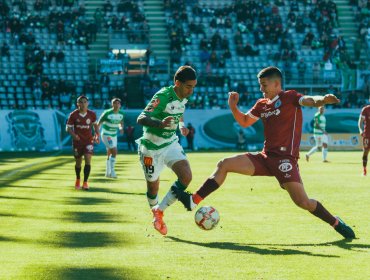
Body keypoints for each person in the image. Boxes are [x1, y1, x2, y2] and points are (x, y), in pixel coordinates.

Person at [172, 66, 355, 239]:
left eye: (264, 85)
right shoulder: (262, 104)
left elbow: (309, 100)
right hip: (265, 157)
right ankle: (193, 200)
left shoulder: (290, 97)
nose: (261, 89)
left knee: (303, 202)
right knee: (224, 164)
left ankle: (336, 223)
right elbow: (244, 121)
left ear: (276, 84)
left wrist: (322, 100)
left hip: (285, 160)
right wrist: (233, 106)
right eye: (260, 85)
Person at [136, 65, 197, 235]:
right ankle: (154, 211)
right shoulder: (162, 96)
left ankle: (160, 211)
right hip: (150, 148)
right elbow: (141, 118)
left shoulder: (184, 96)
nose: (191, 91)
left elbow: (180, 110)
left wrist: (182, 125)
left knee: (186, 176)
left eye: (193, 87)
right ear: (177, 83)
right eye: (188, 86)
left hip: (170, 143)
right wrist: (160, 123)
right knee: (153, 186)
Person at [66, 95, 100, 190]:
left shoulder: (92, 114)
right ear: (78, 104)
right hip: (78, 142)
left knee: (88, 159)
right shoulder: (73, 115)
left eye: (85, 102)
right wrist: (74, 135)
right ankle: (78, 179)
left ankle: (85, 182)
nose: (83, 104)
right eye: (81, 102)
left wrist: (97, 135)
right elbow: (68, 128)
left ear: (88, 103)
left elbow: (95, 125)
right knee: (78, 163)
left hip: (88, 140)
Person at [97, 98, 125, 178]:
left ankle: (107, 173)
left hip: (114, 135)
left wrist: (121, 128)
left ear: (120, 105)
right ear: (112, 104)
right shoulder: (107, 113)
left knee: (109, 152)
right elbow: (99, 123)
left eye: (118, 103)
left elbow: (121, 123)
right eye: (114, 103)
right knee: (114, 150)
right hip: (106, 135)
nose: (116, 105)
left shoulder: (122, 114)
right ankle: (113, 172)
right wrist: (97, 134)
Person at [358, 104, 370, 176]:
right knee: (365, 152)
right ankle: (364, 169)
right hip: (367, 135)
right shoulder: (365, 109)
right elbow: (360, 121)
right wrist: (360, 130)